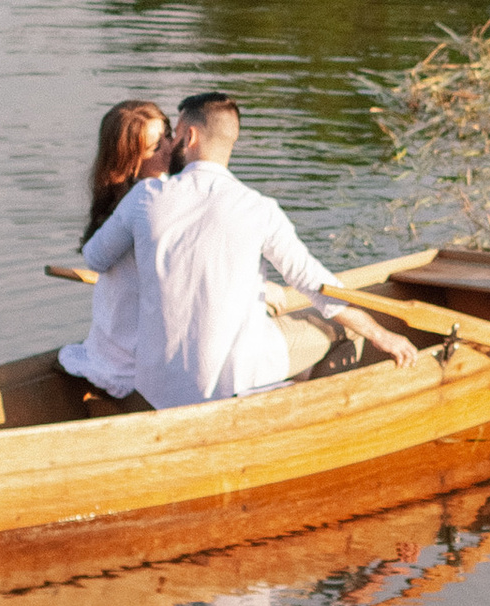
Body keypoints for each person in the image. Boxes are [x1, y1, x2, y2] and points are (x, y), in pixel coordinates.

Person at [80, 89, 416, 409]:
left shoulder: (144, 198)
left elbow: (95, 257)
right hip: (236, 377)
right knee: (346, 329)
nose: (170, 146)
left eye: (174, 134)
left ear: (191, 137)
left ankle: (293, 388)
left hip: (157, 387)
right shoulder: (260, 209)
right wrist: (380, 333)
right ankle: (309, 417)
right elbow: (316, 285)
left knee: (270, 311)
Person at [57, 96, 173, 406]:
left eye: (168, 136)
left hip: (111, 351)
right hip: (132, 363)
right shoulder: (148, 205)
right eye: (157, 146)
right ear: (129, 162)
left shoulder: (121, 203)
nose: (170, 148)